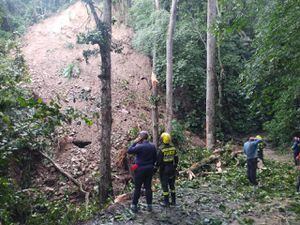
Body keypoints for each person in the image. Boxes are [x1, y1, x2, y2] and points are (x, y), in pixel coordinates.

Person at [127, 131, 157, 213]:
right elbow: (155, 158)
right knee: (148, 188)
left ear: (140, 137)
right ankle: (149, 206)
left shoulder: (139, 146)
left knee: (137, 188)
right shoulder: (152, 146)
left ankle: (134, 206)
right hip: (149, 168)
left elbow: (129, 151)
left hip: (140, 169)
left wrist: (134, 142)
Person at [154, 132, 178, 207]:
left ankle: (166, 202)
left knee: (165, 186)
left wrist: (155, 169)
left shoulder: (161, 149)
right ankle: (173, 201)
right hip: (172, 168)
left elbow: (159, 161)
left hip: (164, 169)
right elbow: (176, 158)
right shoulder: (173, 147)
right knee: (172, 185)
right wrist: (175, 166)